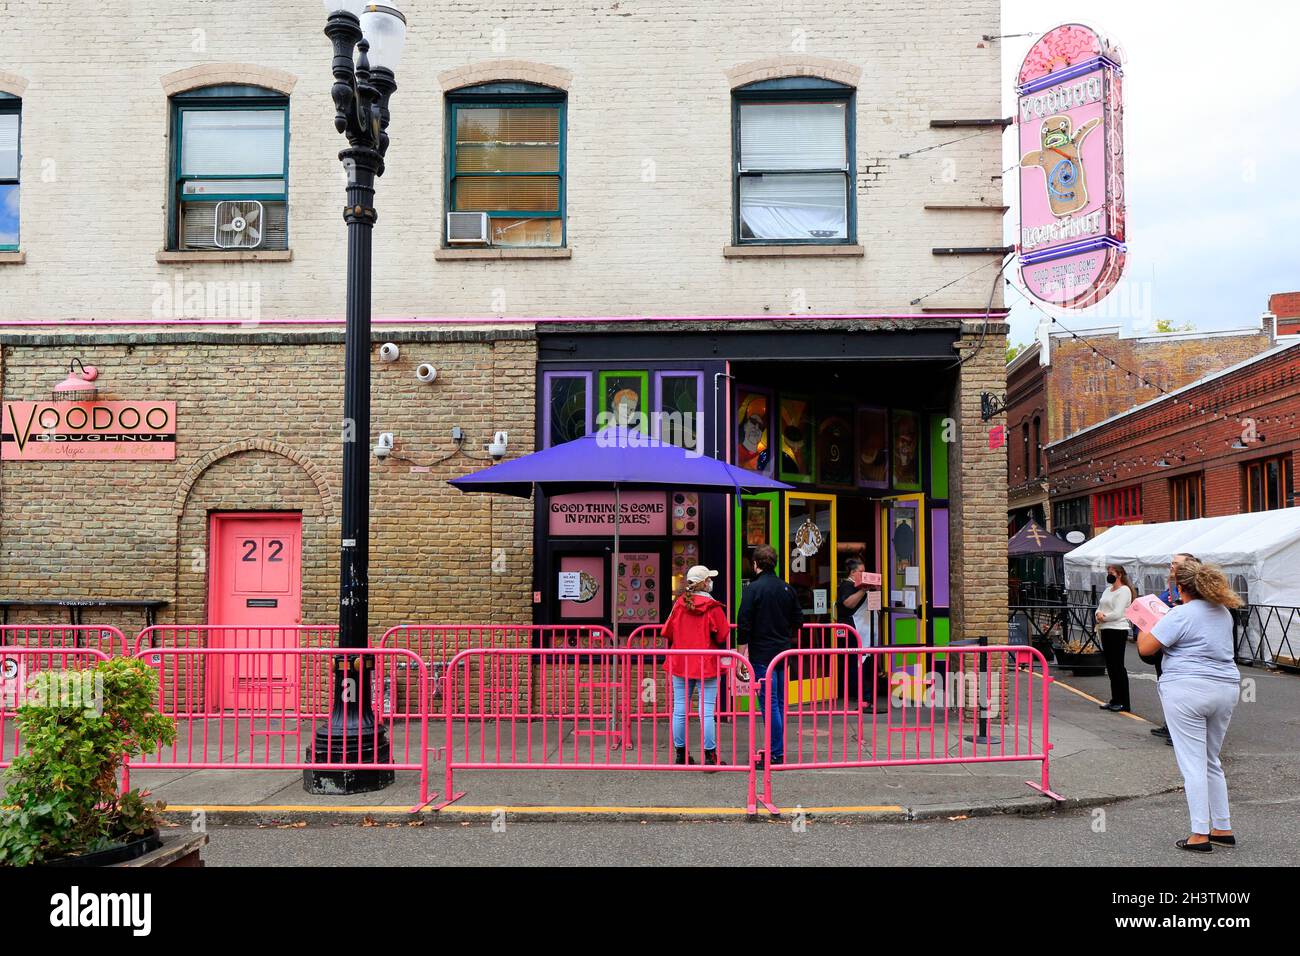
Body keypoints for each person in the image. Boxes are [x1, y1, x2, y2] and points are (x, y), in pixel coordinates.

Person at [1137, 559, 1243, 853]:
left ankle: (1199, 834)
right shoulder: (1223, 612)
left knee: (1192, 763)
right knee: (1211, 760)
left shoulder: (1180, 614)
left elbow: (1146, 648)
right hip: (1225, 688)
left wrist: (1147, 621)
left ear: (1181, 587)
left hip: (1187, 689)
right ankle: (1222, 827)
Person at [736, 544, 803, 768]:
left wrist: (740, 655)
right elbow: (799, 621)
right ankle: (777, 749)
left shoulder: (752, 590)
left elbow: (743, 624)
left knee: (769, 704)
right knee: (780, 703)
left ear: (755, 565)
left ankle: (775, 753)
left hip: (762, 655)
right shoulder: (787, 589)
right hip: (783, 653)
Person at [661, 564, 731, 769]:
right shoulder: (712, 607)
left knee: (680, 709)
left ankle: (680, 754)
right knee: (706, 710)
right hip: (705, 662)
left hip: (681, 661)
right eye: (709, 578)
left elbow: (668, 631)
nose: (712, 582)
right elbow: (722, 634)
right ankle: (710, 756)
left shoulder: (679, 604)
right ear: (705, 583)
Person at [1149, 552, 1197, 744]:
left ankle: (1179, 731)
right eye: (1171, 563)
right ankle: (1170, 725)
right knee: (1165, 685)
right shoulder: (1170, 585)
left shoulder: (1189, 590)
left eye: (1176, 564)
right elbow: (1160, 603)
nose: (1171, 566)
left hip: (1180, 646)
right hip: (1165, 643)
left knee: (1181, 690)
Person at [836, 557, 878, 710]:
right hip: (853, 630)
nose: (864, 574)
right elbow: (848, 603)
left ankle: (867, 695)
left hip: (867, 629)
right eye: (861, 572)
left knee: (866, 663)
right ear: (853, 573)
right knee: (855, 663)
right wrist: (863, 590)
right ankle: (859, 695)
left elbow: (875, 605)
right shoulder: (846, 586)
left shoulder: (865, 587)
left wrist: (873, 590)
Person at [1095, 563, 1135, 712]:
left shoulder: (1124, 591)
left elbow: (1118, 613)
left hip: (1118, 629)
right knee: (1111, 666)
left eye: (1111, 572)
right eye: (1108, 572)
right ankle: (1115, 699)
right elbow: (1100, 606)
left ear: (1119, 574)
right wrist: (1098, 614)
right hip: (1105, 628)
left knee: (1118, 665)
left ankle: (1124, 702)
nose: (1109, 574)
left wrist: (1103, 617)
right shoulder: (1107, 590)